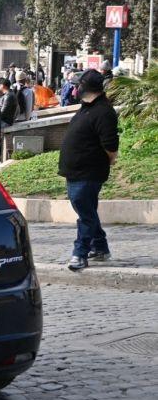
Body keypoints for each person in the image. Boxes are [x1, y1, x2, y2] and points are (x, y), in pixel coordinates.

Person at [57, 70, 119, 272]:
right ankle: (100, 248)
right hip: (75, 171)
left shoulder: (104, 112)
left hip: (89, 173)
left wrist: (103, 163)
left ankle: (80, 254)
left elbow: (111, 147)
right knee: (88, 211)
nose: (74, 88)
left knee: (85, 214)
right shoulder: (86, 107)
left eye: (78, 84)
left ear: (87, 87)